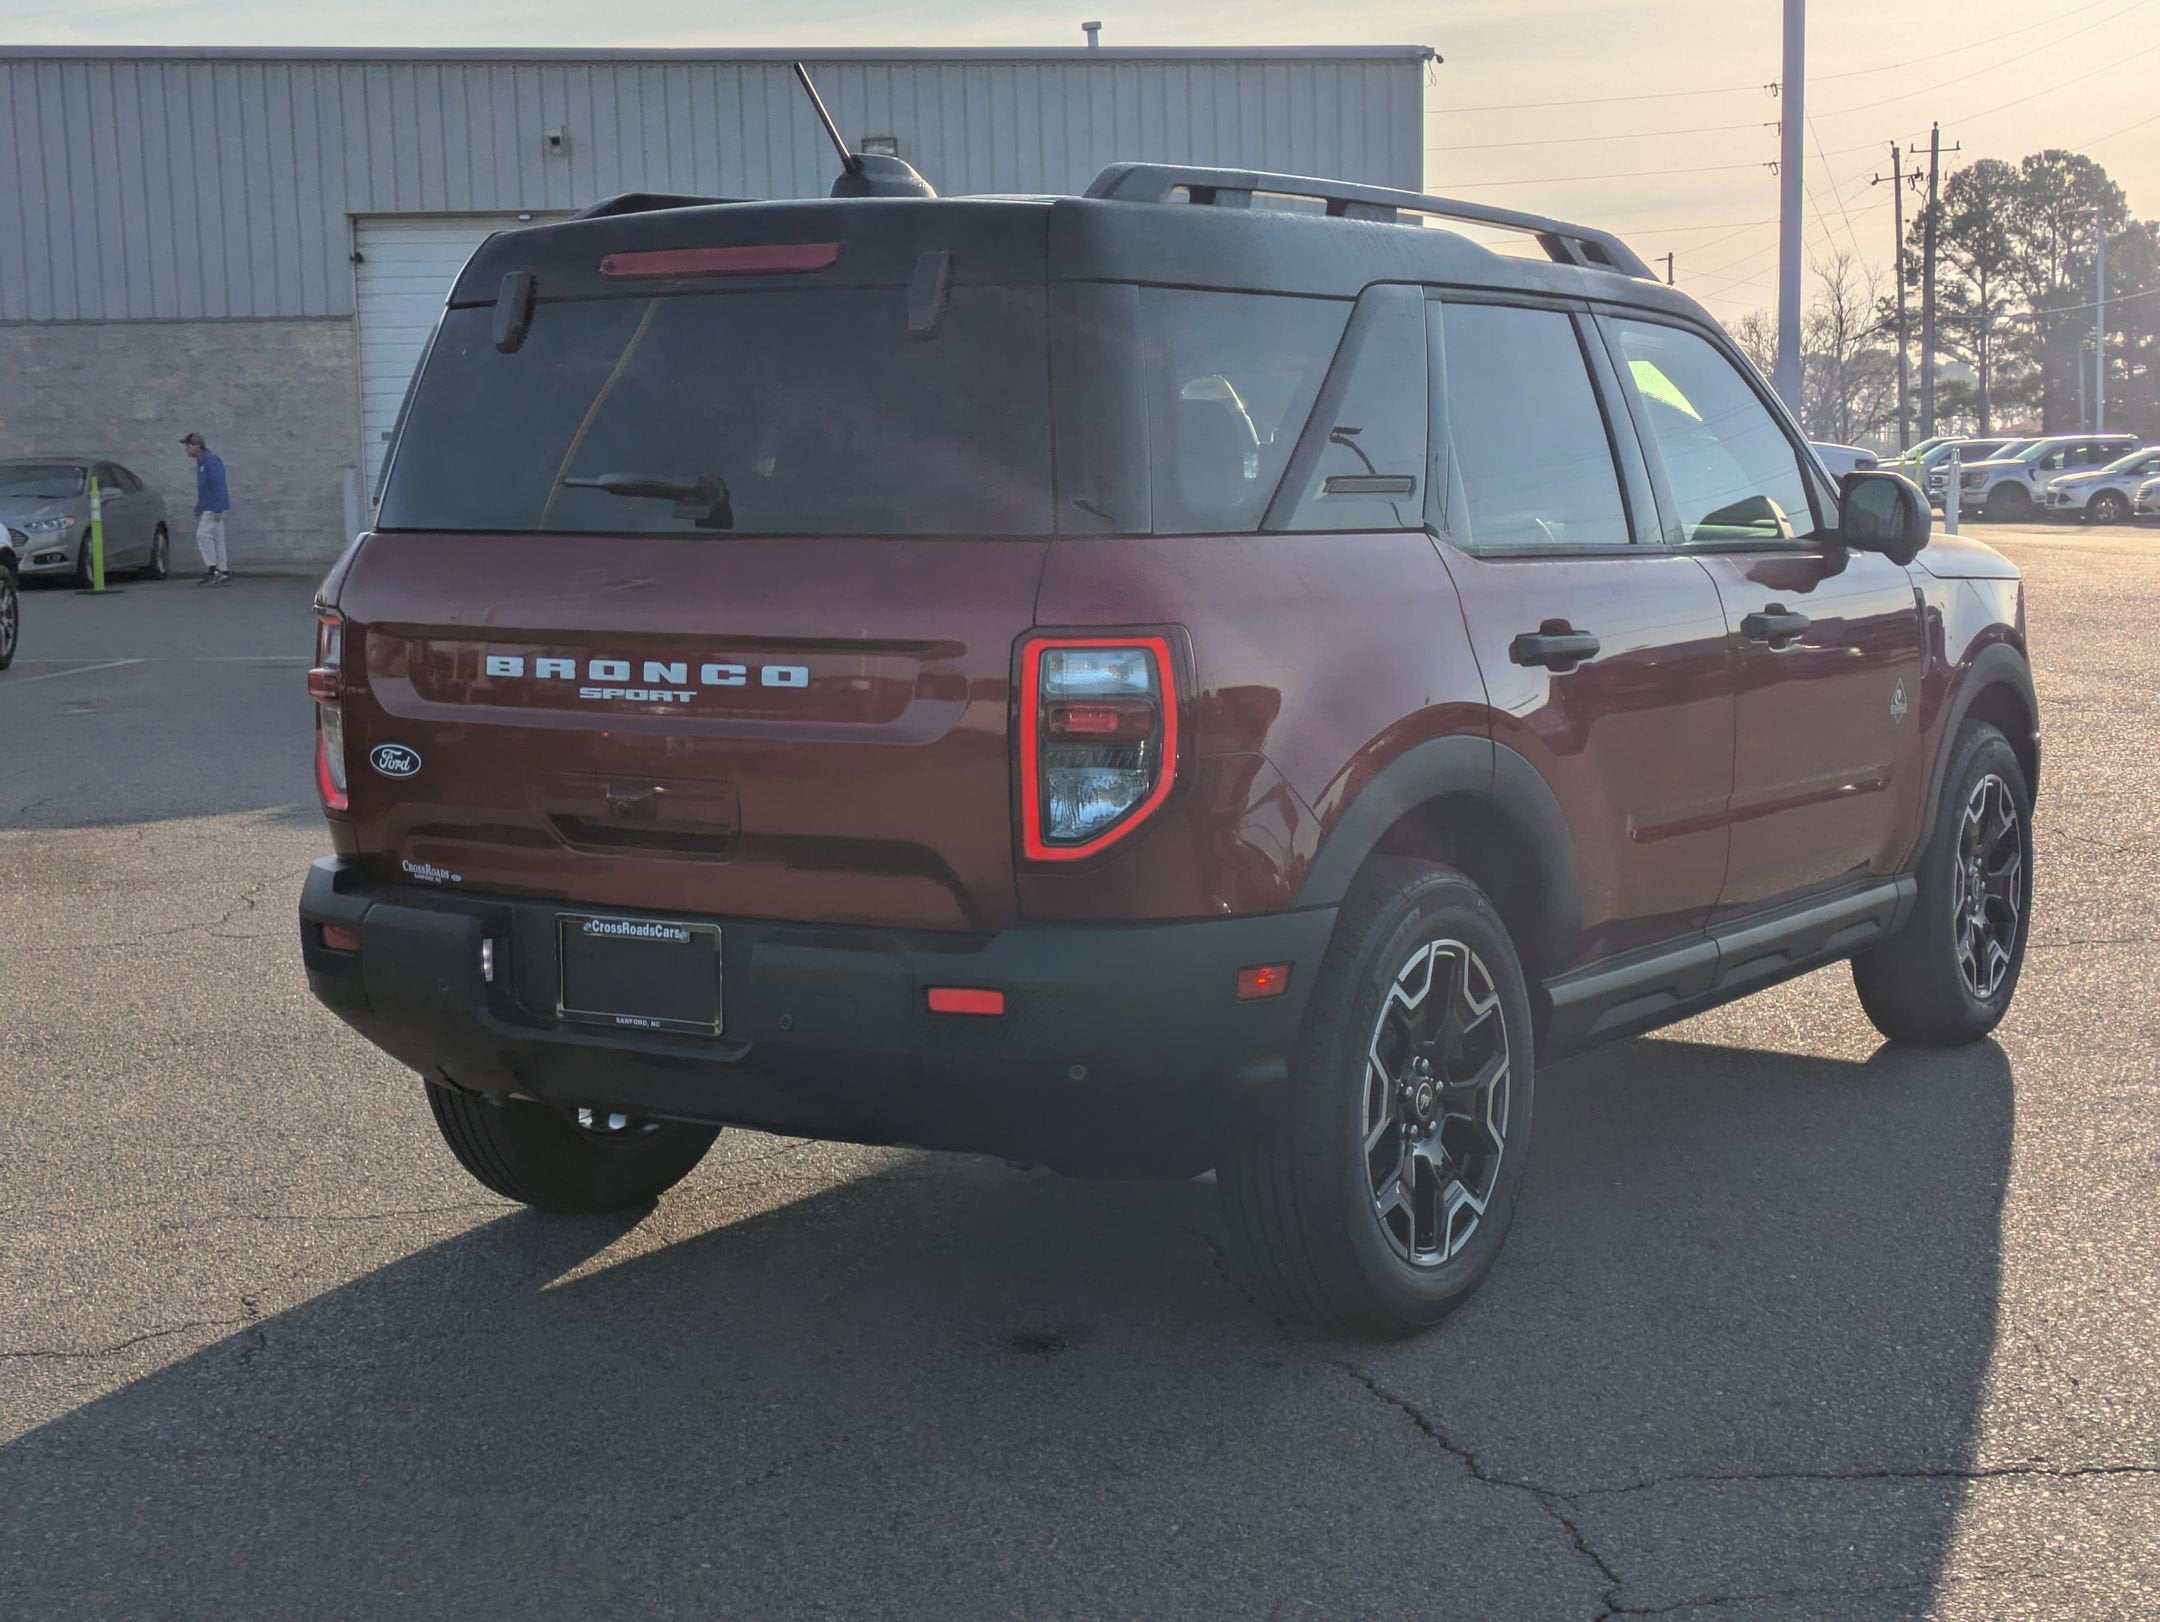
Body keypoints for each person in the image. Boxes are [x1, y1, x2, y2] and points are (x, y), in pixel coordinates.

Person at [181, 432, 231, 585]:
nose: (186, 449)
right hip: (210, 505)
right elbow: (206, 487)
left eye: (188, 446)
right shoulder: (202, 462)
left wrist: (218, 507)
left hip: (213, 506)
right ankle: (222, 570)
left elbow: (219, 484)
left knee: (202, 535)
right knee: (217, 537)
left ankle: (213, 569)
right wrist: (200, 505)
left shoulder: (210, 461)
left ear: (197, 446)